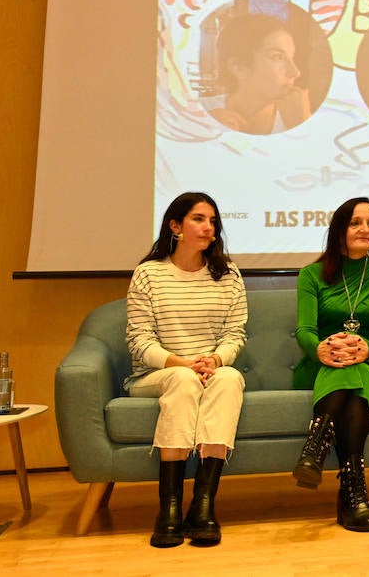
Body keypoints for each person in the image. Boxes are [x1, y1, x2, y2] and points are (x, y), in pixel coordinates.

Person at [125, 192, 247, 548]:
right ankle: (169, 508)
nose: (208, 227)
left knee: (230, 379)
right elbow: (139, 341)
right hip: (158, 375)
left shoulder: (227, 275)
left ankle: (203, 505)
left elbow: (234, 333)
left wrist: (216, 360)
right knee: (182, 379)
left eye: (212, 221)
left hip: (208, 370)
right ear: (175, 226)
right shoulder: (149, 274)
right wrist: (183, 363)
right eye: (198, 219)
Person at [292, 197, 369, 530]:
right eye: (356, 222)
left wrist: (365, 349)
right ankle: (354, 494)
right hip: (321, 364)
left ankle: (316, 444)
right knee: (349, 372)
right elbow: (305, 330)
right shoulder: (312, 275)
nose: (365, 230)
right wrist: (324, 348)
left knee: (356, 369)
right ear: (339, 229)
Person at [207, 12, 311, 134]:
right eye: (277, 57)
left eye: (292, 57)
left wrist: (302, 126)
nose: (295, 72)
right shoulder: (197, 112)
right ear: (239, 68)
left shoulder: (301, 118)